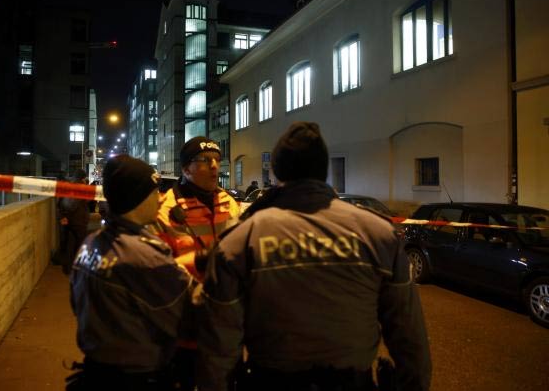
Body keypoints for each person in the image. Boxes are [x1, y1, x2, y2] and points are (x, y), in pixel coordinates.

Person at [196, 121, 432, 391]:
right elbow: (410, 337)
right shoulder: (378, 234)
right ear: (323, 170)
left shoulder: (242, 240)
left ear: (277, 172)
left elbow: (219, 347)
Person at [68, 155, 193, 391]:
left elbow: (77, 303)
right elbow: (188, 316)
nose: (161, 197)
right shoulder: (147, 256)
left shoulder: (91, 244)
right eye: (155, 190)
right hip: (140, 376)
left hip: (95, 371)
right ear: (138, 197)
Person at [155, 136, 241, 391]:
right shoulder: (165, 209)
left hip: (226, 323)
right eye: (204, 160)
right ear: (185, 169)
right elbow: (159, 271)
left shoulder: (229, 203)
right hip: (185, 327)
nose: (214, 166)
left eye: (216, 160)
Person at [57, 169, 90, 274]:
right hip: (78, 221)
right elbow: (74, 203)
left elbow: (60, 203)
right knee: (80, 245)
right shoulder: (80, 187)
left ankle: (67, 267)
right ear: (82, 178)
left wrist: (63, 216)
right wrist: (67, 215)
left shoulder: (68, 185)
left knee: (68, 245)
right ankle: (75, 268)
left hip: (69, 220)